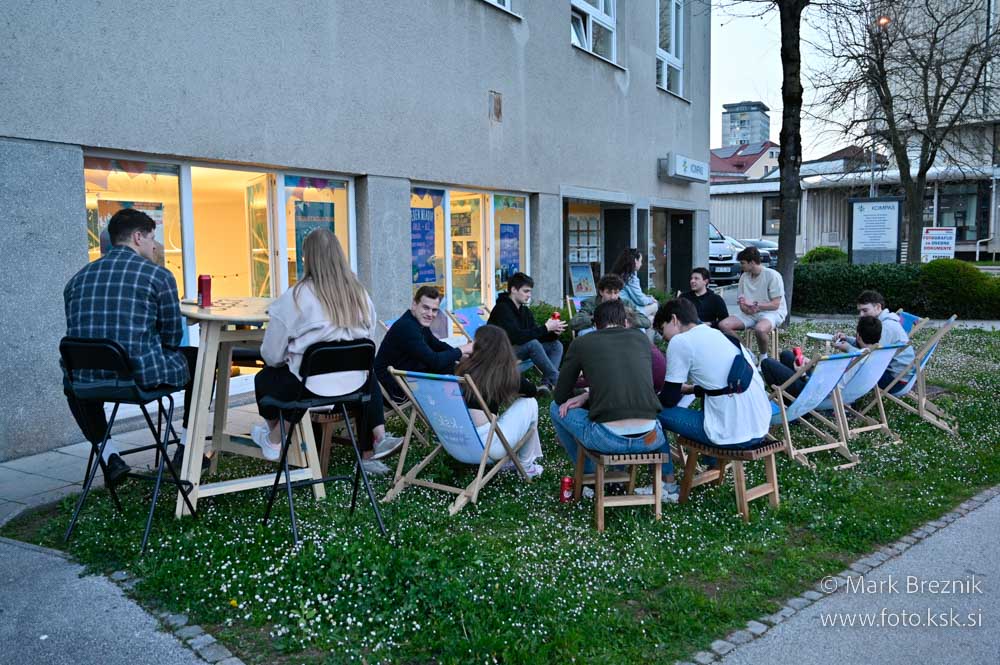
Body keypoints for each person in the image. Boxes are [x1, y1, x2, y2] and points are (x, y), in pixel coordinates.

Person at [62, 208, 198, 486]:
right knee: (202, 359)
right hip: (138, 378)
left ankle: (109, 457)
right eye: (152, 238)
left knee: (72, 381)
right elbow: (172, 338)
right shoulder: (158, 276)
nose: (154, 245)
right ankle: (187, 448)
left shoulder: (75, 280)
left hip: (86, 382)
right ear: (137, 237)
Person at [252, 229, 404, 476]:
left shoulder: (296, 297)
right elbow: (368, 339)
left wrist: (288, 358)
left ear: (307, 258)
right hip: (355, 388)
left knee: (266, 378)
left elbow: (271, 355)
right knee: (366, 373)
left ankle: (275, 438)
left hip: (309, 389)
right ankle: (377, 439)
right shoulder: (360, 294)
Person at [549, 300, 676, 501]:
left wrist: (585, 392)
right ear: (625, 322)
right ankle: (659, 482)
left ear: (596, 325)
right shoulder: (641, 339)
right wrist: (589, 395)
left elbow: (560, 396)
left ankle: (590, 478)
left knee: (555, 408)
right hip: (650, 439)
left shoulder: (582, 343)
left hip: (606, 440)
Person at [656, 298, 772, 458]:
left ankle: (665, 473)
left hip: (732, 436)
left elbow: (669, 399)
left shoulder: (680, 341)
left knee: (652, 413)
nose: (663, 338)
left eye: (662, 330)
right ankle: (711, 464)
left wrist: (646, 399)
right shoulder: (721, 335)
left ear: (674, 319)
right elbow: (724, 385)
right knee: (710, 402)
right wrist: (692, 389)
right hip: (760, 428)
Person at [456, 325, 544, 479]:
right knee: (530, 403)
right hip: (488, 447)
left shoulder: (462, 369)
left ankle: (519, 462)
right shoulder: (502, 373)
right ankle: (525, 466)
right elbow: (531, 391)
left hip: (458, 441)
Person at [375, 286, 473, 403]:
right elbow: (435, 361)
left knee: (451, 366)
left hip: (405, 377)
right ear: (414, 305)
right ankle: (461, 404)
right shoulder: (407, 327)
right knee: (448, 369)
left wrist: (460, 356)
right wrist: (462, 349)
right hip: (393, 389)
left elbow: (437, 345)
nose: (430, 314)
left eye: (434, 310)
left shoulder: (417, 323)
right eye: (425, 308)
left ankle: (461, 402)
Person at [761, 316, 882, 397]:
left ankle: (788, 402)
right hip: (828, 386)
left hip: (815, 394)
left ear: (859, 336)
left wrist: (802, 374)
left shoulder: (854, 356)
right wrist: (811, 363)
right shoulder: (877, 355)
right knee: (786, 355)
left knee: (767, 363)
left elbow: (824, 385)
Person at [486, 272, 566, 391]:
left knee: (556, 345)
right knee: (532, 344)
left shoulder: (525, 311)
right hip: (498, 354)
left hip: (515, 350)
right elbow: (516, 337)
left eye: (530, 291)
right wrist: (545, 328)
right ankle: (559, 382)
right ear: (513, 289)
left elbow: (536, 336)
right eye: (526, 291)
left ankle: (547, 385)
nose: (529, 295)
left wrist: (553, 332)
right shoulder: (502, 309)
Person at [833, 290, 914, 393]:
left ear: (878, 307)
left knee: (850, 369)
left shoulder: (886, 327)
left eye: (865, 310)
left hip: (895, 381)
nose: (861, 315)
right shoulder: (883, 322)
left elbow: (870, 359)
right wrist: (847, 339)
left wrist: (848, 348)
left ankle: (838, 397)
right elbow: (868, 346)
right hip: (897, 375)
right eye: (860, 311)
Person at [719, 246, 787, 359]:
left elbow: (775, 305)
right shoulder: (744, 277)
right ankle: (747, 352)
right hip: (751, 313)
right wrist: (746, 309)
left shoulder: (772, 275)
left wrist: (756, 305)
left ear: (752, 262)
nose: (741, 266)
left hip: (772, 313)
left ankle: (763, 357)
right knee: (723, 325)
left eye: (743, 263)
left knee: (760, 329)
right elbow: (741, 302)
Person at [569, 273, 650, 335]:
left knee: (641, 330)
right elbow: (574, 323)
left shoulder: (626, 303)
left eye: (616, 292)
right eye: (609, 293)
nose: (613, 297)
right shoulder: (590, 303)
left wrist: (628, 319)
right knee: (583, 332)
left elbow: (646, 322)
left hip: (621, 334)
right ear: (601, 292)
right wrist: (597, 318)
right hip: (599, 334)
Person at [610, 248, 659, 320]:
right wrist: (651, 299)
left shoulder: (618, 274)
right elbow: (641, 300)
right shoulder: (630, 278)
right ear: (635, 261)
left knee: (651, 319)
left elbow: (636, 296)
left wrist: (647, 297)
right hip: (629, 311)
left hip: (620, 310)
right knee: (655, 305)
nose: (641, 264)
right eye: (640, 261)